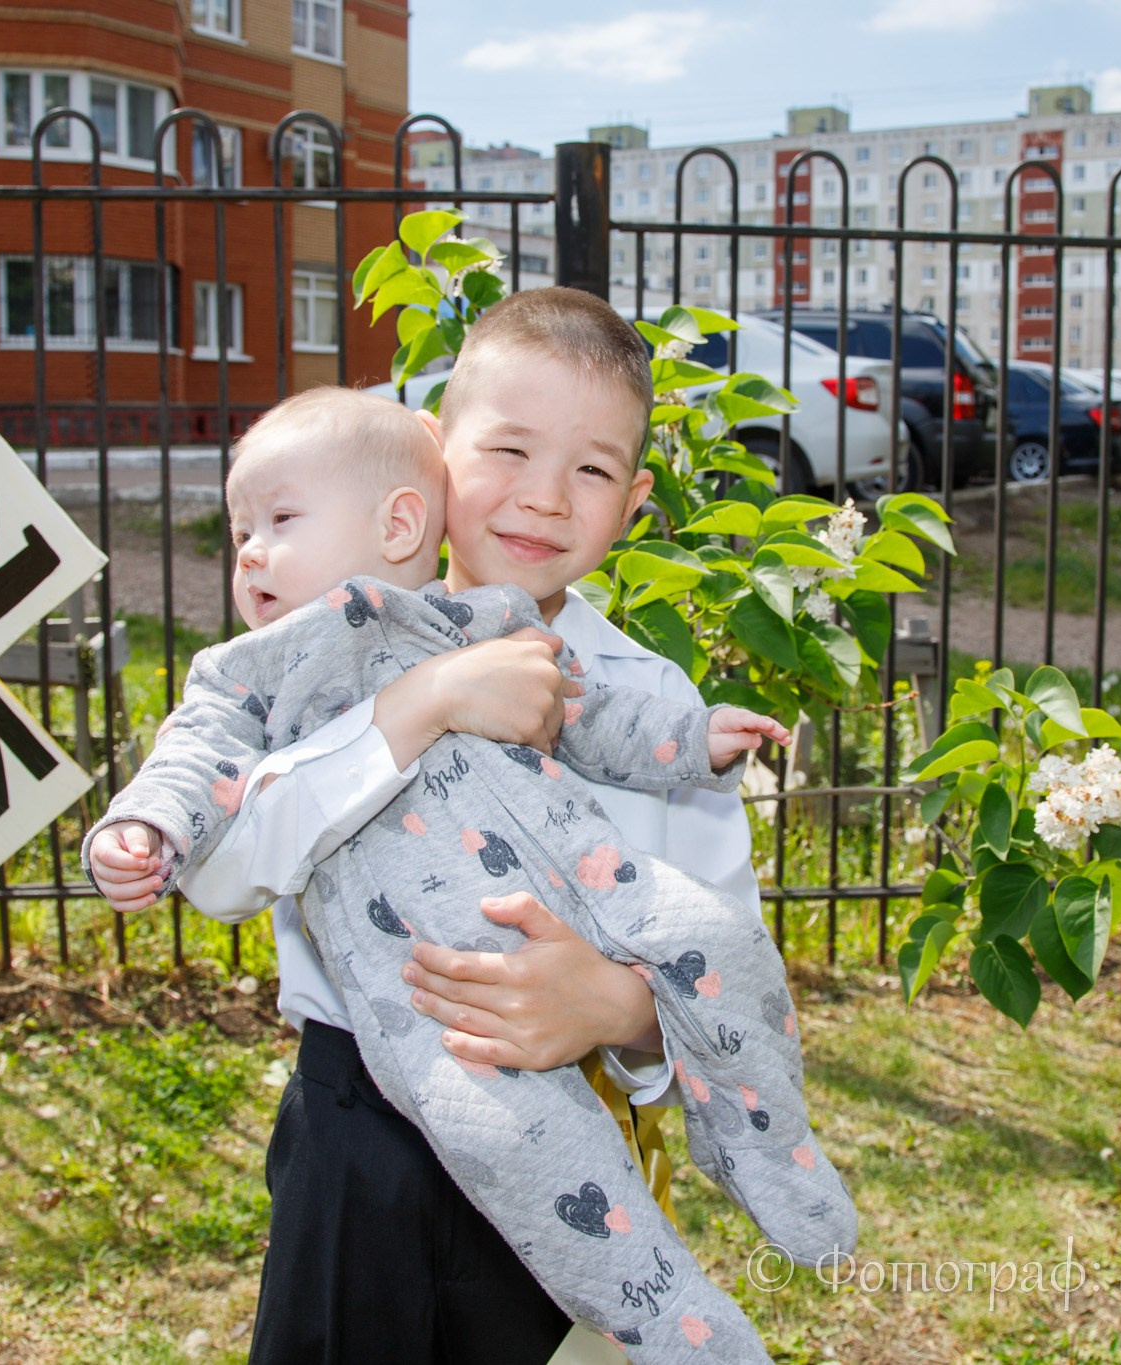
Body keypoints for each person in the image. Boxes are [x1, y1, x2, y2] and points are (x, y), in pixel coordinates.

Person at [88, 290, 853, 1363]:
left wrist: (615, 1008)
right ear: (435, 457)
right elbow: (218, 877)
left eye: (589, 471)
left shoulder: (645, 695)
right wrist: (414, 710)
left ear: (632, 502)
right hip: (359, 1129)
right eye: (508, 451)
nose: (542, 500)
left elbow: (721, 944)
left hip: (572, 1128)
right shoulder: (316, 649)